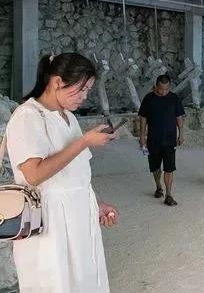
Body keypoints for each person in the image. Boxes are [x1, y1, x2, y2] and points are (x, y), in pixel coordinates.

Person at [5, 53, 119, 292]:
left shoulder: (68, 117)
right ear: (57, 82)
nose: (84, 96)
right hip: (50, 224)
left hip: (79, 218)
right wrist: (84, 141)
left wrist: (96, 203)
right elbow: (34, 175)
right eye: (81, 89)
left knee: (84, 282)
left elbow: (77, 174)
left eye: (88, 90)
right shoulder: (28, 116)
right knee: (55, 283)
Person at [138, 74, 185, 206]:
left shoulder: (174, 98)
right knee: (155, 167)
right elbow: (143, 118)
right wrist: (142, 136)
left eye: (166, 89)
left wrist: (181, 134)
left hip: (170, 139)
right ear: (156, 86)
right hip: (153, 139)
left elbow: (179, 117)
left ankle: (168, 195)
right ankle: (159, 186)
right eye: (161, 89)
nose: (164, 92)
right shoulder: (148, 98)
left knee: (169, 168)